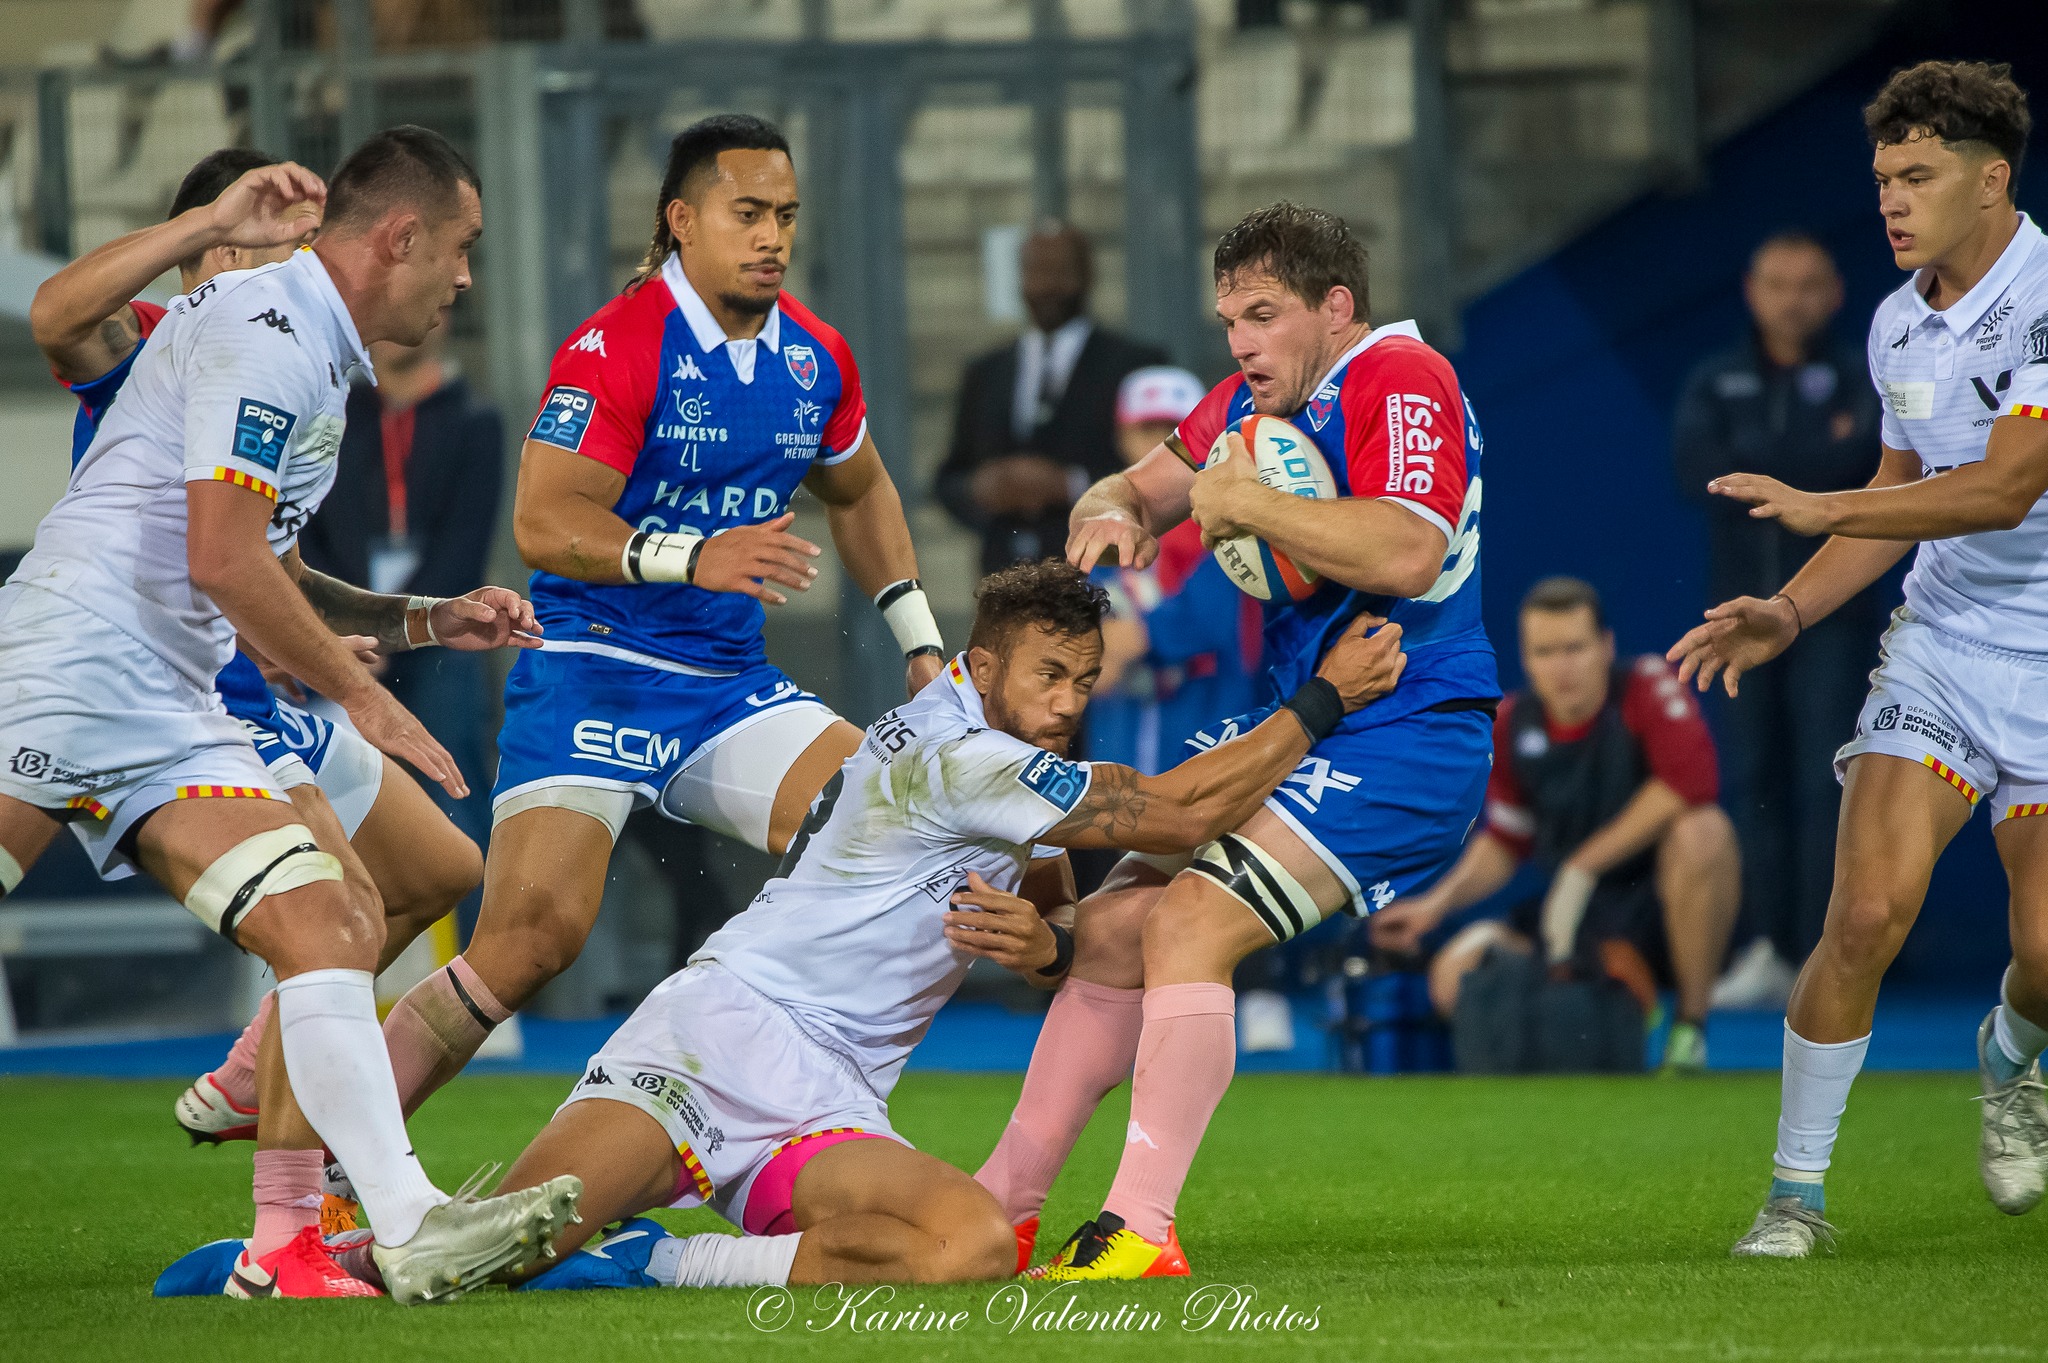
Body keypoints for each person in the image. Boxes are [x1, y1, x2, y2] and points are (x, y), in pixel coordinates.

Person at [465, 561, 1404, 1294]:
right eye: (1049, 675)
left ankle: (657, 1263)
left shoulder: (1004, 749)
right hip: (719, 1035)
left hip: (832, 1099)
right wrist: (1322, 701)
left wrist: (1056, 946)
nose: (1070, 702)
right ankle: (333, 1216)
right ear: (982, 666)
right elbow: (1182, 813)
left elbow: (1051, 917)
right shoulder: (962, 757)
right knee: (498, 1245)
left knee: (972, 1242)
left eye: (1085, 677)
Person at [0, 125, 580, 1302]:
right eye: (461, 248)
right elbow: (222, 557)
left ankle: (358, 1230)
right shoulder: (264, 332)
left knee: (330, 922)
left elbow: (262, 560)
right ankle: (314, 1220)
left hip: (172, 697)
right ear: (401, 236)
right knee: (348, 910)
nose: (467, 277)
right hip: (70, 671)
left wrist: (419, 624)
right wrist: (363, 689)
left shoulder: (312, 347)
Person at [369, 114, 946, 1126]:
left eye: (786, 216)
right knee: (527, 943)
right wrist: (692, 555)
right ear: (681, 219)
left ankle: (772, 1101)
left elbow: (859, 494)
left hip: (726, 688)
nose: (772, 236)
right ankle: (337, 1150)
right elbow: (544, 521)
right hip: (592, 667)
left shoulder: (814, 359)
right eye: (748, 213)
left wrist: (920, 643)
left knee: (893, 825)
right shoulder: (617, 344)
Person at [976, 201, 1497, 1280]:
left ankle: (1140, 1227)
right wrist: (1110, 508)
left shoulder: (1403, 380)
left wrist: (1245, 500)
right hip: (1299, 713)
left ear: (1335, 306)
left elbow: (1406, 550)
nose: (1240, 343)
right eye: (1227, 321)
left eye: (1261, 315)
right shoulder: (1247, 403)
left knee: (1191, 925)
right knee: (1113, 920)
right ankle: (1001, 1205)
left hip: (1406, 726)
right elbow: (1142, 486)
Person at [1668, 60, 2048, 1257]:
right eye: (1882, 176)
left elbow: (2002, 488)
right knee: (1866, 909)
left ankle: (2010, 1051)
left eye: (1917, 176)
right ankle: (1793, 1196)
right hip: (1940, 648)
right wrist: (1786, 611)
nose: (1889, 199)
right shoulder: (1894, 321)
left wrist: (1818, 508)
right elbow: (1900, 496)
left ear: (1990, 182)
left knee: (2042, 952)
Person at [1370, 577, 1738, 1070]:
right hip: (1571, 918)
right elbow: (1506, 840)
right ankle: (1586, 1026)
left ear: (1605, 647)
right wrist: (1434, 907)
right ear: (1525, 657)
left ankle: (1689, 1031)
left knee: (1703, 832)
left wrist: (1582, 865)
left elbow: (1690, 782)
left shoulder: (1646, 687)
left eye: (1574, 648)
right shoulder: (1511, 723)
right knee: (1449, 976)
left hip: (1659, 910)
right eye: (1545, 652)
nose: (1561, 668)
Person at [1673, 232, 1887, 1001]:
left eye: (1808, 285)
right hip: (1738, 613)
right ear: (1751, 291)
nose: (1792, 299)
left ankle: (1830, 947)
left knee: (1829, 777)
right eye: (1777, 284)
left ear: (1832, 293)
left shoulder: (1866, 372)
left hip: (1836, 614)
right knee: (1756, 777)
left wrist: (1775, 471)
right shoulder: (1715, 379)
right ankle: (1766, 945)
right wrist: (1805, 475)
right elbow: (1696, 472)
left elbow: (1873, 473)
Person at [298, 326, 505, 846]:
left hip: (439, 637)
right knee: (338, 792)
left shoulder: (475, 421)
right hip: (350, 633)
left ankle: (474, 921)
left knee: (452, 784)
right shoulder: (337, 419)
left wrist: (393, 630)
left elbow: (463, 548)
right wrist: (359, 626)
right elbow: (307, 527)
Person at [935, 224, 1170, 576]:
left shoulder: (1136, 365)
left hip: (1101, 575)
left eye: (1060, 271)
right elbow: (949, 479)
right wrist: (980, 488)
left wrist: (1071, 484)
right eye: (1035, 271)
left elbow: (1164, 467)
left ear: (1087, 276)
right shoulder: (985, 372)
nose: (1046, 285)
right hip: (1002, 576)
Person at [1085, 366, 1260, 777]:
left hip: (1213, 726)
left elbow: (1216, 607)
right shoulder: (1105, 524)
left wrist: (1140, 635)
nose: (1159, 445)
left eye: (1174, 432)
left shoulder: (1233, 515)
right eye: (1147, 429)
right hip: (1123, 733)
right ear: (1121, 436)